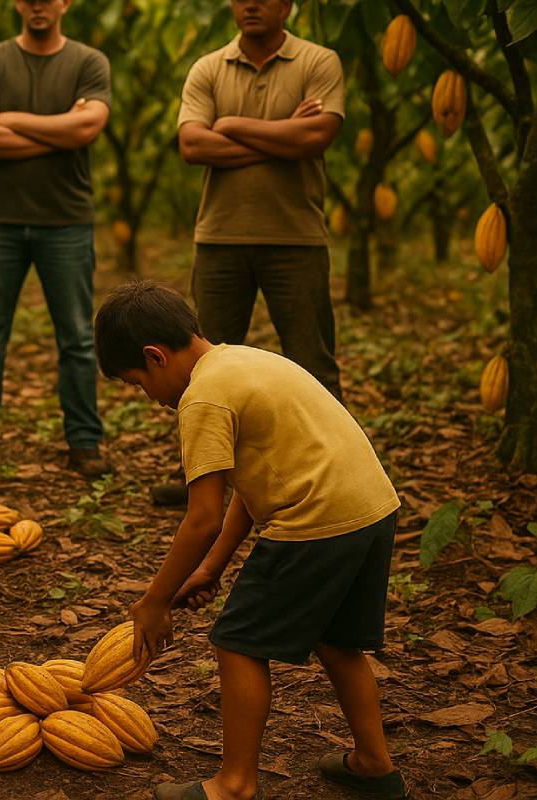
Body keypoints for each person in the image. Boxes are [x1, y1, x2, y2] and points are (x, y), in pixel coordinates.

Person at [94, 281, 406, 800]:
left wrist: (152, 602)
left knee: (237, 643)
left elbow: (202, 518)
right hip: (370, 509)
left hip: (316, 520)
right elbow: (248, 488)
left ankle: (234, 785)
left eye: (135, 382)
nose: (146, 397)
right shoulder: (242, 360)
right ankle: (374, 763)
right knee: (337, 641)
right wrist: (211, 569)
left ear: (154, 355)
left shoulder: (203, 399)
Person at [157, 0, 346, 508]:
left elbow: (317, 136)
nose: (252, 4)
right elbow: (193, 145)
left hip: (296, 236)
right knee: (202, 364)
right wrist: (282, 133)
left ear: (288, 5)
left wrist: (231, 125)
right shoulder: (208, 68)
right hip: (220, 238)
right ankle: (200, 476)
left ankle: (334, 469)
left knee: (312, 360)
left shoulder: (318, 62)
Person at [0, 0, 113, 478]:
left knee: (78, 339)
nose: (39, 4)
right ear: (18, 4)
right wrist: (59, 130)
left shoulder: (87, 62)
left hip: (66, 220)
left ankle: (84, 443)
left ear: (65, 3)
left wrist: (9, 118)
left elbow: (87, 128)